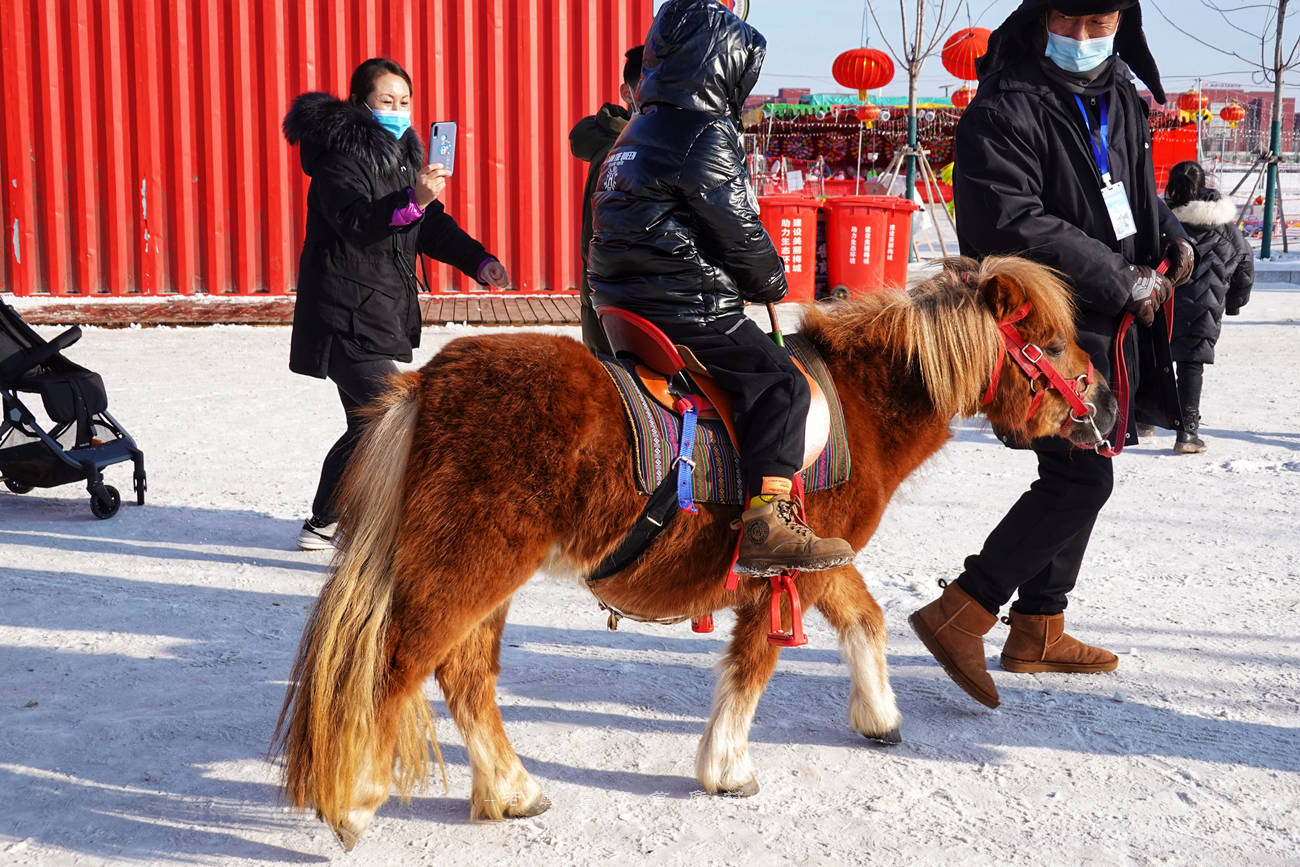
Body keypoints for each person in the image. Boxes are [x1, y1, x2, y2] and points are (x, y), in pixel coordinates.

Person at [910, 0, 1196, 708]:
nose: (1082, 38)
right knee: (1079, 481)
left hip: (1111, 320)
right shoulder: (1005, 105)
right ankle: (963, 610)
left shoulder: (1122, 95)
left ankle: (1040, 624)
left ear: (1121, 23)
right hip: (1043, 327)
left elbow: (1133, 188)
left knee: (1089, 466)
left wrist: (1170, 237)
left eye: (1098, 25)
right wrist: (1115, 276)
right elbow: (1007, 221)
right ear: (1040, 18)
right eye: (1067, 21)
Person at [586, 0, 854, 577]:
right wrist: (771, 279)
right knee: (783, 385)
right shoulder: (703, 131)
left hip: (621, 304)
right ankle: (768, 519)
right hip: (688, 308)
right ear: (720, 67)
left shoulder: (636, 127)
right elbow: (736, 226)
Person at [283, 57, 512, 550]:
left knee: (368, 426)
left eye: (404, 101)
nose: (397, 109)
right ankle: (394, 528)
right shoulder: (337, 158)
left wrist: (478, 260)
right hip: (341, 312)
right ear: (360, 103)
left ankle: (325, 522)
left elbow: (427, 225)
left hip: (377, 307)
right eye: (386, 101)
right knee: (397, 416)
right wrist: (414, 198)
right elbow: (358, 222)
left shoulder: (404, 153)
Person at [1163, 160, 1254, 453]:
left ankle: (1144, 420)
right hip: (1205, 310)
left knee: (1153, 357)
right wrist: (1234, 304)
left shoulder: (1162, 222)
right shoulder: (1227, 229)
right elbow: (1245, 267)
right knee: (1191, 365)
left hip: (1163, 304)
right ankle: (1187, 433)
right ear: (1204, 185)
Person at [570, 45, 645, 355]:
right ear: (626, 93)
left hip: (618, 301)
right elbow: (598, 241)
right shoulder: (616, 155)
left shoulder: (641, 143)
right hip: (619, 305)